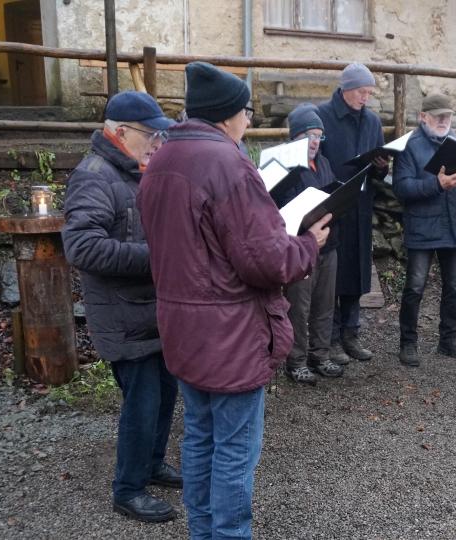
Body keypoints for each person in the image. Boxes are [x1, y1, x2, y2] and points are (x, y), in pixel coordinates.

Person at [137, 62, 331, 538]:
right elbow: (265, 262)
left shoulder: (161, 158)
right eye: (247, 111)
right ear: (228, 116)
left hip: (182, 329)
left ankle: (202, 532)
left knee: (200, 439)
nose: (249, 120)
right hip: (230, 335)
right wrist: (308, 244)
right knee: (233, 452)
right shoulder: (229, 163)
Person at [61, 91, 181, 522]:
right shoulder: (94, 176)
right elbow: (82, 248)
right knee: (142, 402)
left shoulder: (132, 170)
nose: (157, 143)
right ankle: (127, 489)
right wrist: (158, 257)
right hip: (122, 313)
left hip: (150, 310)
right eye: (151, 135)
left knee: (166, 392)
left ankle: (151, 463)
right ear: (120, 132)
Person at [392, 94, 456, 367]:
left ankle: (448, 341)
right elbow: (401, 188)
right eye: (438, 116)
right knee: (415, 287)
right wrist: (436, 184)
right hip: (422, 226)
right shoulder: (409, 146)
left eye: (448, 116)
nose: (444, 121)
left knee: (455, 285)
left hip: (453, 224)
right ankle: (408, 343)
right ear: (423, 117)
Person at [317, 63, 389, 365]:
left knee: (358, 271)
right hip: (332, 205)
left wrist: (382, 165)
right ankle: (330, 338)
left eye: (370, 93)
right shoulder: (322, 116)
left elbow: (379, 158)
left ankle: (351, 333)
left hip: (361, 205)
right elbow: (315, 160)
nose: (366, 98)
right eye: (362, 92)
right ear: (346, 89)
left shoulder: (372, 121)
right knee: (333, 273)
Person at [276, 104, 345, 384]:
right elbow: (278, 209)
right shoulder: (282, 165)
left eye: (319, 136)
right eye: (309, 135)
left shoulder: (324, 162)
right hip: (299, 246)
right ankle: (296, 360)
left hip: (328, 244)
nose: (315, 142)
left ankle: (320, 354)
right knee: (299, 305)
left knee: (325, 304)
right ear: (295, 137)